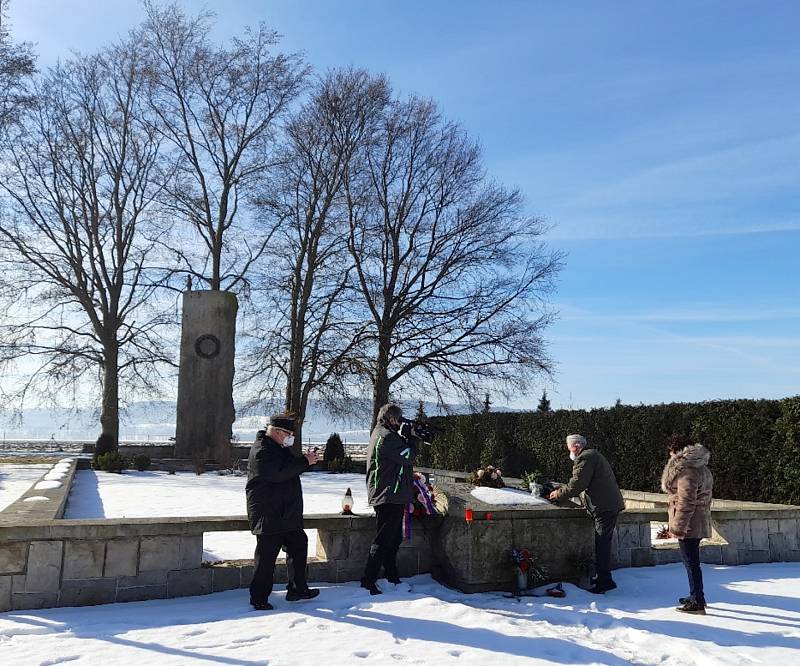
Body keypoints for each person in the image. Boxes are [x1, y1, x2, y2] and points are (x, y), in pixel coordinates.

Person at [246, 414, 320, 610]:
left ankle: (297, 589)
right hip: (269, 513)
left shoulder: (280, 448)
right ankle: (259, 598)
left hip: (287, 513)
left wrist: (308, 462)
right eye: (289, 434)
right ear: (277, 432)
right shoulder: (262, 449)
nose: (291, 438)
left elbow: (292, 468)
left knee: (298, 544)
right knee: (267, 557)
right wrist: (304, 462)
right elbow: (278, 473)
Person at [549, 434, 625, 594]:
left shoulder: (585, 458)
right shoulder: (592, 455)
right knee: (602, 542)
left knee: (602, 544)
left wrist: (558, 495)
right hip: (607, 504)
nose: (569, 452)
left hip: (604, 506)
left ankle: (605, 581)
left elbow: (577, 484)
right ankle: (604, 578)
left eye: (569, 448)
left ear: (575, 447)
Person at [361, 403, 421, 595]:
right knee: (384, 539)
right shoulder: (386, 437)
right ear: (391, 419)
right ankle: (368, 580)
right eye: (398, 419)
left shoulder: (383, 433)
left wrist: (406, 436)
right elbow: (408, 456)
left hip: (390, 493)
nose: (400, 422)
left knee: (393, 539)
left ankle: (391, 576)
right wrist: (412, 438)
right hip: (388, 494)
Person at [661, 434, 713, 615]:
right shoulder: (702, 468)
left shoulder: (687, 471)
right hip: (698, 520)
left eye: (671, 452)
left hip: (690, 524)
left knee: (691, 563)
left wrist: (677, 527)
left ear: (678, 452)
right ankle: (696, 596)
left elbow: (686, 502)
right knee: (692, 562)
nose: (669, 456)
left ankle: (697, 601)